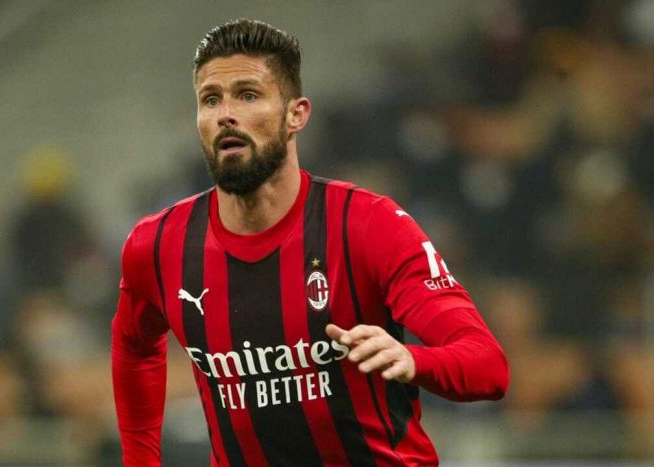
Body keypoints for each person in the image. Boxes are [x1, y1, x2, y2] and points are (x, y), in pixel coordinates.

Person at [111, 18, 509, 466]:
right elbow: (135, 348)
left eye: (248, 95)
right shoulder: (157, 246)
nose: (225, 114)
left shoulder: (368, 225)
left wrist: (413, 360)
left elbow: (488, 367)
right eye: (211, 99)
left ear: (296, 115)